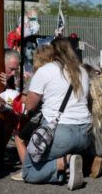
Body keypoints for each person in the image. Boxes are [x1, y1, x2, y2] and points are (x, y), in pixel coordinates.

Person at [22, 38, 91, 190]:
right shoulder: (83, 72)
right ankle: (69, 168)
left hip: (60, 133)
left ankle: (64, 164)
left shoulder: (45, 71)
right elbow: (85, 100)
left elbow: (30, 105)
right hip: (85, 134)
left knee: (28, 171)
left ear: (52, 52)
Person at [11, 44, 54, 181]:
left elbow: (26, 99)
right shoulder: (56, 74)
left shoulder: (38, 75)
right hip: (53, 117)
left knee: (19, 139)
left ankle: (27, 170)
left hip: (38, 117)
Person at [82, 64, 102, 178]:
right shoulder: (101, 93)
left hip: (90, 146)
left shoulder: (85, 91)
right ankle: (97, 159)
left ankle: (91, 161)